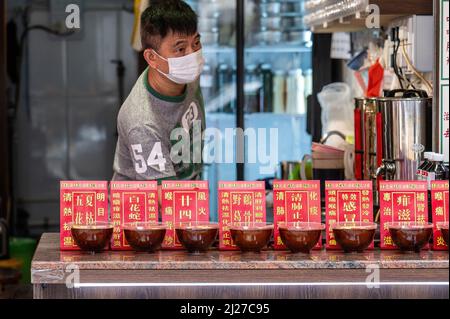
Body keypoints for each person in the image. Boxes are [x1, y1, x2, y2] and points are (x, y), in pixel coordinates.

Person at [112, 0, 205, 182]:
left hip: (184, 192)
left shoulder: (186, 75)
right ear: (152, 58)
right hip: (149, 206)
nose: (192, 55)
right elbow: (166, 197)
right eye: (180, 48)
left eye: (196, 42)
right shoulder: (141, 121)